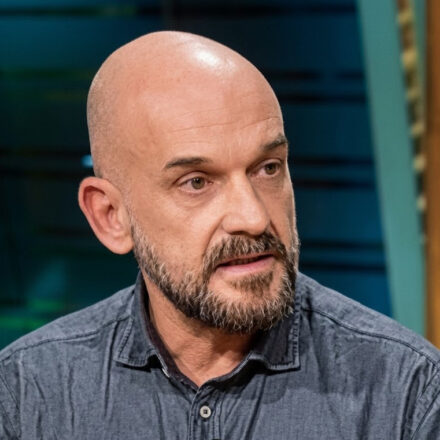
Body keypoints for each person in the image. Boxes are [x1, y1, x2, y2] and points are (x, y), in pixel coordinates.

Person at [0, 31, 439, 439]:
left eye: (268, 168)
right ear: (110, 216)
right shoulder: (24, 396)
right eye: (196, 182)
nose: (253, 217)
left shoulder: (408, 393)